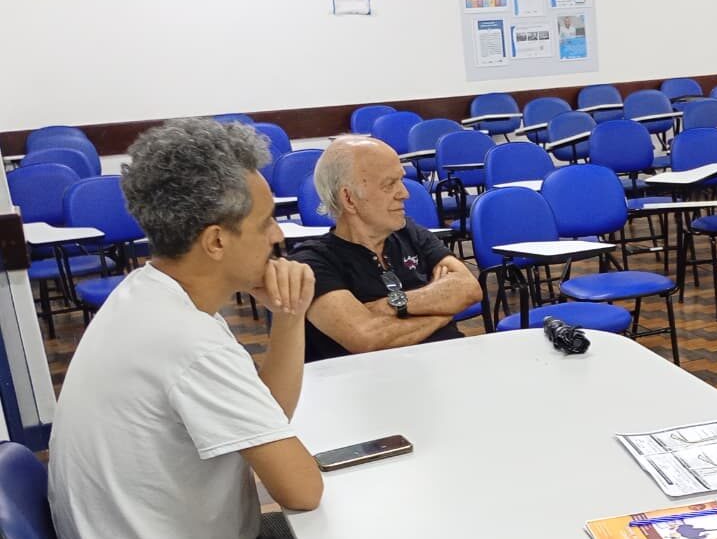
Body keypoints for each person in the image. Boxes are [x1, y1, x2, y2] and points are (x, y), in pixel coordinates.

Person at [48, 119, 323, 539]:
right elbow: (302, 491)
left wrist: (289, 312)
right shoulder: (187, 341)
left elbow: (268, 414)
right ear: (215, 242)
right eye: (265, 221)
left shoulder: (149, 294)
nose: (277, 235)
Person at [290, 135, 482, 362]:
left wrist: (392, 305)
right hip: (374, 386)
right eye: (389, 184)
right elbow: (368, 338)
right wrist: (443, 309)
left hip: (445, 366)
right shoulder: (312, 262)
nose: (405, 193)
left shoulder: (408, 232)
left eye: (400, 180)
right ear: (349, 199)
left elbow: (469, 289)